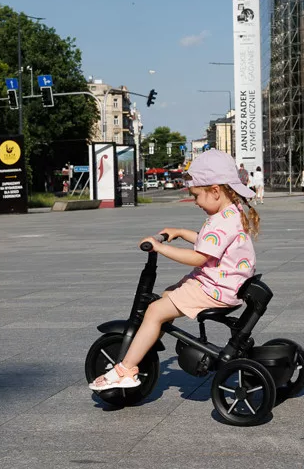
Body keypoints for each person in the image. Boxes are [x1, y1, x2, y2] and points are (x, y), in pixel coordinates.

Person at [89, 150, 260, 391]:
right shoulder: (231, 211)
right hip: (226, 283)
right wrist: (179, 232)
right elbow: (208, 242)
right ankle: (147, 339)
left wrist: (160, 247)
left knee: (154, 311)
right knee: (168, 295)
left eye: (196, 195)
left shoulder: (221, 221)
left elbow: (198, 256)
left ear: (215, 191)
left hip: (216, 289)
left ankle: (125, 370)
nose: (195, 202)